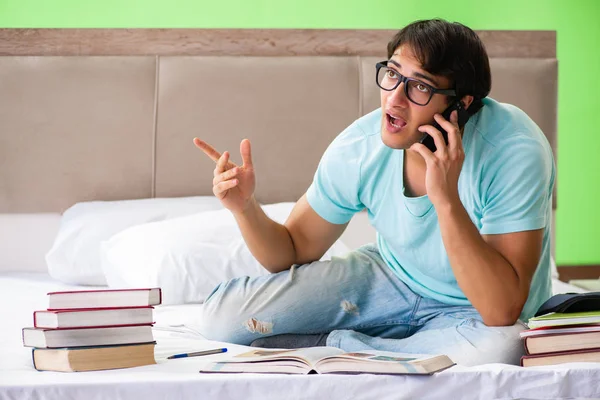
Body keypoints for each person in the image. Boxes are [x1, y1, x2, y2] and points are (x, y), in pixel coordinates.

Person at [192, 19, 555, 366]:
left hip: (473, 311)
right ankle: (398, 349)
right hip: (388, 280)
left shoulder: (512, 150)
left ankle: (338, 347)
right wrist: (245, 208)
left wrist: (445, 198)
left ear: (459, 104)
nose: (394, 99)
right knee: (221, 320)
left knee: (505, 348)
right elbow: (292, 250)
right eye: (393, 74)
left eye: (420, 87)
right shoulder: (361, 146)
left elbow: (501, 309)